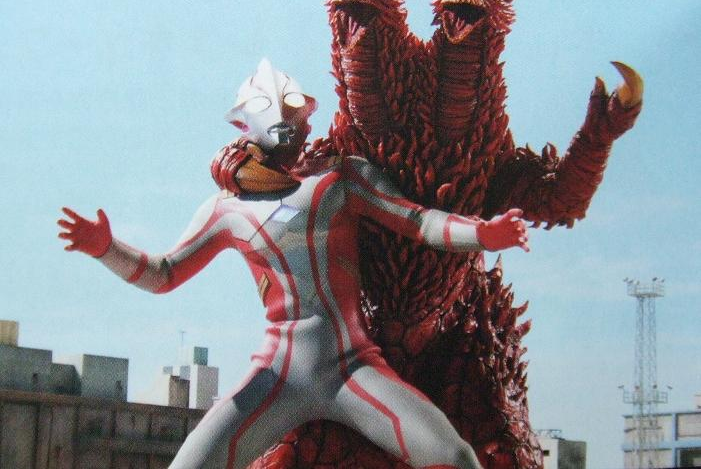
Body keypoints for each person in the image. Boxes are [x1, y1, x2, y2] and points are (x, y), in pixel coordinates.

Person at [58, 59, 529, 469]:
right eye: (276, 108)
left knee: (454, 457)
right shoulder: (227, 208)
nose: (289, 119)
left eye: (294, 108)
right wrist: (105, 248)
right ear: (244, 124)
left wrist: (481, 233)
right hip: (277, 375)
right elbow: (164, 274)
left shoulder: (339, 178)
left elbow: (418, 221)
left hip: (352, 368)